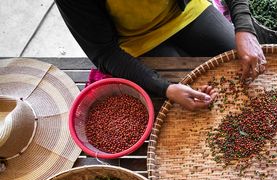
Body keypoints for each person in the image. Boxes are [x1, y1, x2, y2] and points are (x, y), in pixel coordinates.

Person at [56, 0, 266, 111]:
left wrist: (244, 28)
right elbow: (104, 52)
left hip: (185, 10)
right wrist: (166, 88)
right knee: (193, 107)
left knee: (246, 68)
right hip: (134, 40)